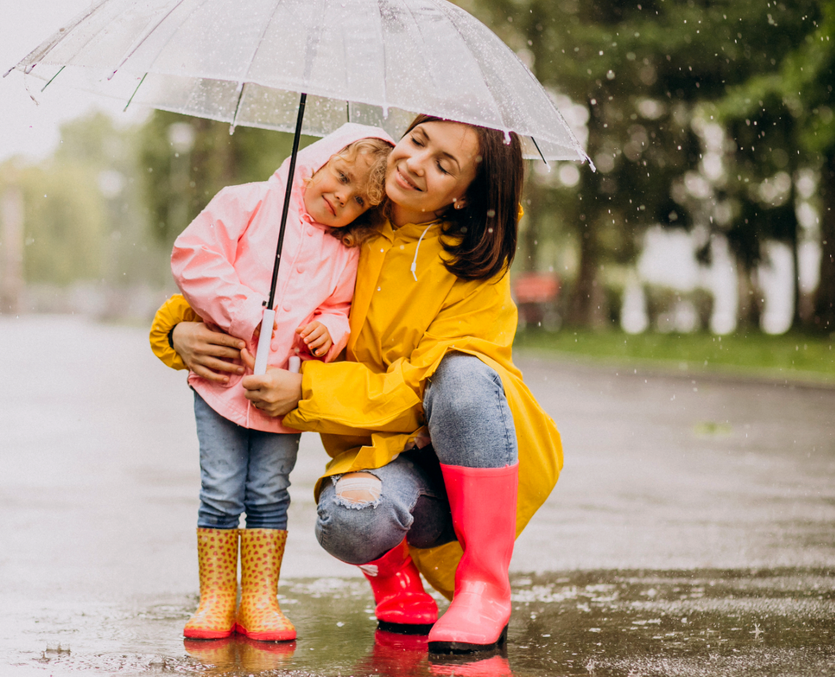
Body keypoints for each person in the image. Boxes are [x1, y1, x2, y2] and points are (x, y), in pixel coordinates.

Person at [152, 116, 562, 654]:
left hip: (458, 451)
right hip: (381, 454)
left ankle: (484, 588)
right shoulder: (350, 218)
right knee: (350, 521)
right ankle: (392, 576)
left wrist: (308, 388)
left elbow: (420, 387)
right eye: (417, 141)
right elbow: (262, 283)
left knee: (462, 375)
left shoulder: (475, 262)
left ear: (465, 194)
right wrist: (176, 332)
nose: (415, 163)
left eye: (444, 165)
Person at [163, 122, 394, 643]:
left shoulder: (345, 251)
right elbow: (194, 255)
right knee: (220, 490)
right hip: (222, 381)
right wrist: (246, 312)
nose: (342, 197)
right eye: (341, 176)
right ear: (318, 162)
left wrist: (331, 330)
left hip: (281, 393)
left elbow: (340, 307)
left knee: (269, 492)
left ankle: (260, 599)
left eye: (360, 199)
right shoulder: (248, 203)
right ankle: (216, 597)